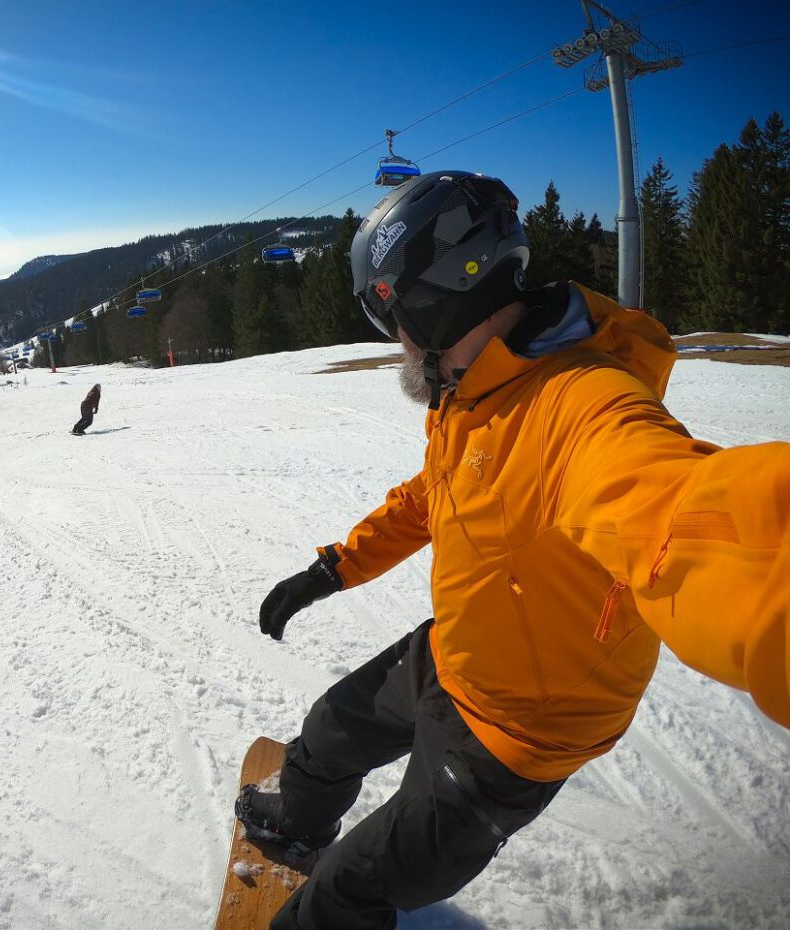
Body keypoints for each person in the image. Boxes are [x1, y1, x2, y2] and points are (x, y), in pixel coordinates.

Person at [236, 169, 790, 930]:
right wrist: (334, 567)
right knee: (332, 727)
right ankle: (296, 819)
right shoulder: (475, 390)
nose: (393, 342)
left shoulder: (582, 407)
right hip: (458, 652)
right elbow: (432, 493)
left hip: (514, 733)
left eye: (388, 317)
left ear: (425, 301)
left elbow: (682, 512)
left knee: (348, 890)